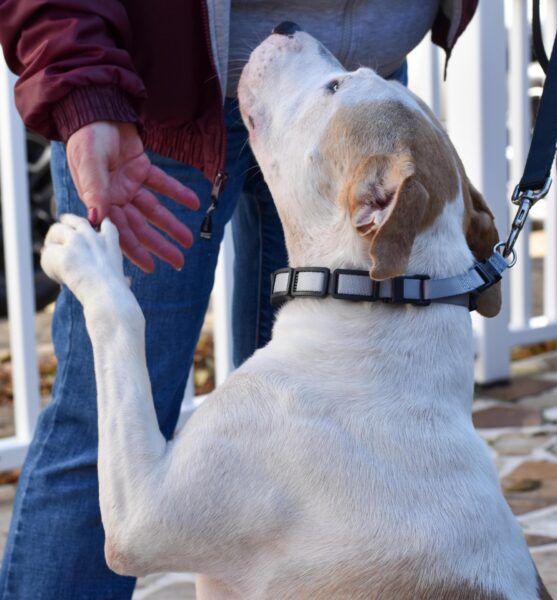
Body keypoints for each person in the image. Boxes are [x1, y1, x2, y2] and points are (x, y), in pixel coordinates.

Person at [0, 2, 477, 597]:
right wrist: (82, 87)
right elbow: (136, 534)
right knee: (102, 435)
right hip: (171, 90)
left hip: (348, 118)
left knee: (310, 500)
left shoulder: (377, 160)